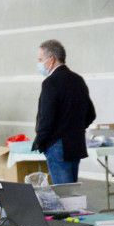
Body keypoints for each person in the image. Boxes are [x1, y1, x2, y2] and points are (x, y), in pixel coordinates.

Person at [31, 39, 96, 186]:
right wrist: (75, 128)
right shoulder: (77, 80)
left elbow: (46, 119)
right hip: (75, 143)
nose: (39, 63)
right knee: (72, 193)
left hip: (57, 146)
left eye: (40, 59)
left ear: (51, 59)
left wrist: (40, 141)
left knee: (64, 195)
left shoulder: (50, 83)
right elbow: (90, 114)